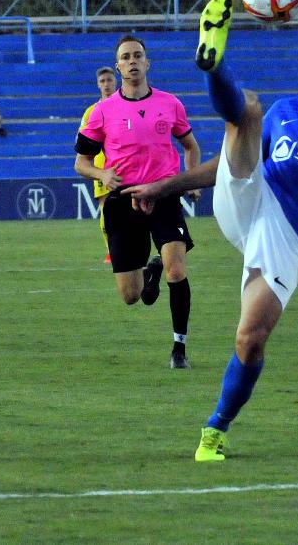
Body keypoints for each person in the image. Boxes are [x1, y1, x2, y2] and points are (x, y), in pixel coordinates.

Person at [129, 0, 298, 461]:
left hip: (287, 234)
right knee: (247, 110)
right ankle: (213, 60)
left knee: (250, 338)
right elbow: (226, 166)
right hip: (250, 197)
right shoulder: (287, 109)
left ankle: (215, 428)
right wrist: (163, 188)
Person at [75, 34, 202, 369]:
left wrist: (190, 180)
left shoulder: (170, 103)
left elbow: (190, 146)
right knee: (131, 296)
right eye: (126, 57)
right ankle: (150, 272)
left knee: (177, 267)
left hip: (163, 193)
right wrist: (102, 176)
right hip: (122, 200)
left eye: (137, 56)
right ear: (118, 67)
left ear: (147, 63)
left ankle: (179, 349)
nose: (132, 61)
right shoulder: (102, 112)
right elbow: (81, 162)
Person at [79, 66, 118, 264]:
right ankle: (111, 251)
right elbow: (82, 140)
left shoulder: (124, 105)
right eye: (102, 81)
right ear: (98, 84)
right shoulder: (90, 112)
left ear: (116, 81)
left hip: (125, 164)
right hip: (102, 166)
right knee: (106, 208)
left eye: (109, 80)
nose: (106, 84)